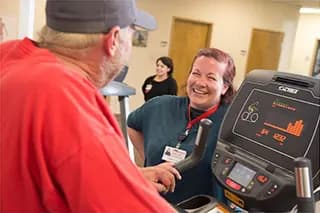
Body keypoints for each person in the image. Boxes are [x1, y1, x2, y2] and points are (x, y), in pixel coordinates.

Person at [0, 0, 181, 212]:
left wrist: (127, 176)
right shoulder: (65, 99)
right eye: (131, 33)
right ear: (113, 40)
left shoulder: (9, 57)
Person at [127, 47, 237, 204]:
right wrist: (148, 158)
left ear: (225, 87)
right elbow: (132, 124)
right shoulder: (160, 106)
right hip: (153, 203)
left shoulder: (232, 122)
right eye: (196, 73)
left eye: (211, 78)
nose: (200, 83)